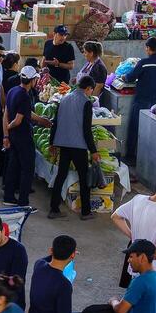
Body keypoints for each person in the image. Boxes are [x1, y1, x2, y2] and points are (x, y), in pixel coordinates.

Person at [48, 75, 99, 220]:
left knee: (61, 176)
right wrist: (93, 151)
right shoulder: (86, 102)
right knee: (84, 178)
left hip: (63, 143)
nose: (91, 93)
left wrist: (52, 142)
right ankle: (86, 211)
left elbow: (55, 122)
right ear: (88, 88)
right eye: (91, 90)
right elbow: (87, 129)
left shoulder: (64, 98)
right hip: (78, 146)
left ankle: (54, 208)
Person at [111, 175, 156, 277]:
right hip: (153, 269)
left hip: (136, 262)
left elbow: (115, 216)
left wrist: (132, 235)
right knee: (152, 292)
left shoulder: (138, 199)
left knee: (136, 289)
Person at [121, 37, 156, 168]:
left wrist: (123, 77)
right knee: (150, 131)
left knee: (134, 128)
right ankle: (147, 158)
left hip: (141, 100)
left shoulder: (144, 63)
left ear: (148, 48)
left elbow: (130, 77)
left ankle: (131, 157)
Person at [0, 67, 38, 206]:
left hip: (13, 137)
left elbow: (6, 114)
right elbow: (18, 120)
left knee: (13, 166)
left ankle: (9, 197)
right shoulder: (24, 96)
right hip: (23, 137)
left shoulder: (13, 91)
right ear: (32, 80)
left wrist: (6, 134)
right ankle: (23, 202)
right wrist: (9, 127)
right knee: (27, 169)